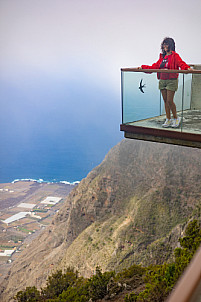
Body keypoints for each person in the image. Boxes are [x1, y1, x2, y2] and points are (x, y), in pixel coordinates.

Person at [138, 37, 192, 128]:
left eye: (166, 44)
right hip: (162, 80)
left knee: (170, 101)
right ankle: (168, 119)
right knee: (165, 101)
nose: (164, 46)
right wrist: (143, 67)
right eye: (163, 44)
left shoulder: (175, 56)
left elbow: (181, 63)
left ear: (171, 45)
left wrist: (187, 68)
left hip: (172, 81)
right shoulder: (162, 57)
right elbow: (154, 67)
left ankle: (175, 118)